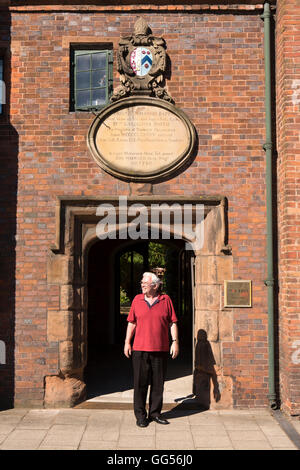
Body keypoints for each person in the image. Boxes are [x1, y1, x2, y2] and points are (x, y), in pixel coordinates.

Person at [124, 272, 179, 427]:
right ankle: (140, 416)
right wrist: (127, 342)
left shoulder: (165, 300)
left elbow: (172, 323)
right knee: (140, 383)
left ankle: (155, 413)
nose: (142, 285)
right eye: (141, 282)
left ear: (155, 285)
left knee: (158, 384)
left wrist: (175, 342)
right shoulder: (137, 300)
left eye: (145, 283)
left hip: (160, 349)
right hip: (139, 349)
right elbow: (131, 323)